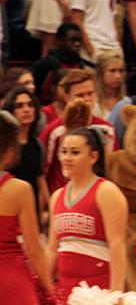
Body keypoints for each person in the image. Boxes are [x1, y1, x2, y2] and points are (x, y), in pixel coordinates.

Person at [47, 127, 128, 300]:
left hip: (98, 290)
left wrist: (116, 293)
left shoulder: (106, 191)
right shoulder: (57, 196)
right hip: (64, 289)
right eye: (64, 152)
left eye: (75, 152)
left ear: (93, 157)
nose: (67, 158)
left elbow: (117, 244)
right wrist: (44, 287)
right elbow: (52, 249)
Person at [0, 110, 54, 304]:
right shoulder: (20, 190)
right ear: (9, 150)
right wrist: (50, 291)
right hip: (12, 281)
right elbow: (35, 250)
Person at [40, 70, 117, 193]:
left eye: (90, 94)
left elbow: (112, 169)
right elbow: (41, 173)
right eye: (80, 95)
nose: (87, 99)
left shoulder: (107, 129)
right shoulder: (54, 131)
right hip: (60, 196)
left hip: (97, 196)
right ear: (67, 98)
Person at [2, 88, 50, 221]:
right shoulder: (6, 146)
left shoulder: (37, 144)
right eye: (19, 106)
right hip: (8, 210)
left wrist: (49, 209)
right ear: (11, 111)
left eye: (30, 105)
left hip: (31, 212)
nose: (27, 110)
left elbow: (40, 180)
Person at [30, 23, 95, 105]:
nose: (77, 44)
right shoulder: (45, 64)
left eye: (79, 40)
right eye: (73, 40)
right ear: (60, 41)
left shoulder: (81, 65)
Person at [92, 51, 126, 119]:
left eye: (121, 71)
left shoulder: (127, 102)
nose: (118, 76)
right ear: (101, 73)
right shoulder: (92, 102)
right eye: (112, 71)